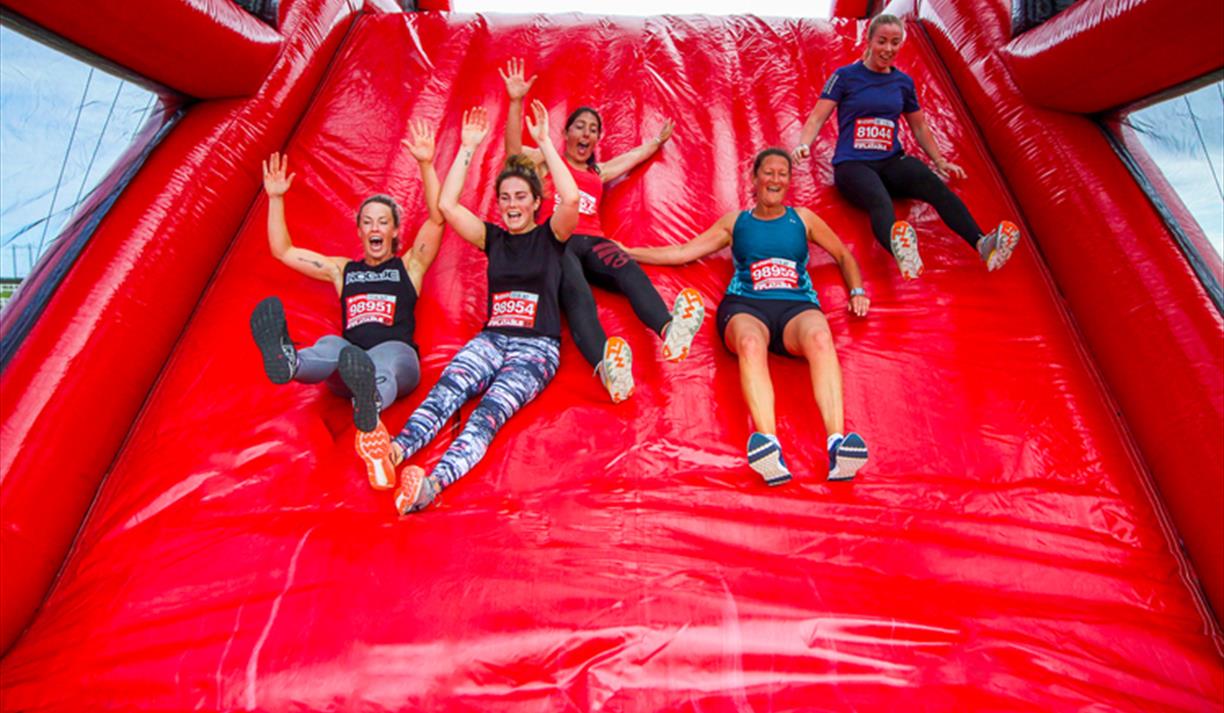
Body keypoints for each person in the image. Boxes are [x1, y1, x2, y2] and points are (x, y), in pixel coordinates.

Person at [357, 103, 580, 515]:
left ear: (534, 203)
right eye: (505, 198)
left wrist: (547, 144)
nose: (512, 204)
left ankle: (431, 485)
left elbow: (571, 198)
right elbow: (446, 207)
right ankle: (393, 453)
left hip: (536, 350)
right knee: (448, 388)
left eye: (521, 197)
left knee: (487, 415)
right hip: (492, 338)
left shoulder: (552, 236)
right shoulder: (492, 238)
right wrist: (466, 147)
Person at [625, 149, 869, 484]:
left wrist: (857, 291)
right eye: (768, 172)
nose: (775, 179)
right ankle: (769, 444)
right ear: (754, 179)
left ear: (789, 181)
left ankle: (837, 444)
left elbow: (843, 254)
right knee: (752, 343)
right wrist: (628, 253)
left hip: (796, 307)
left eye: (782, 173)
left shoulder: (803, 219)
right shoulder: (737, 222)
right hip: (746, 306)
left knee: (820, 337)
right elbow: (683, 252)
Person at [249, 120, 442, 490]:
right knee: (331, 347)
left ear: (394, 231)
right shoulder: (342, 271)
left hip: (397, 360)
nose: (375, 228)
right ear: (359, 231)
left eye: (383, 222)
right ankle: (292, 362)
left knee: (383, 359)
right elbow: (283, 251)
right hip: (350, 361)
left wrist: (425, 164)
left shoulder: (410, 266)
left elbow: (437, 218)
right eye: (368, 222)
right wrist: (275, 198)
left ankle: (369, 400)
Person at [500, 58, 706, 403]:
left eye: (593, 129)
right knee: (578, 294)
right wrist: (516, 101)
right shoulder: (547, 160)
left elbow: (632, 158)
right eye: (579, 127)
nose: (586, 134)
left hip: (594, 242)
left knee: (628, 268)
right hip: (558, 241)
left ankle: (670, 330)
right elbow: (511, 154)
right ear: (565, 134)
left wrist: (656, 143)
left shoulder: (598, 172)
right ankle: (605, 368)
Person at [792, 13, 1020, 280]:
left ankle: (982, 244)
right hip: (853, 164)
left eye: (895, 42)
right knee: (879, 199)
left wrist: (939, 160)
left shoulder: (903, 83)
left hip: (890, 160)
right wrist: (803, 145)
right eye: (882, 42)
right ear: (869, 40)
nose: (888, 49)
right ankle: (902, 252)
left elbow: (919, 126)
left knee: (934, 185)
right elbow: (818, 116)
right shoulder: (845, 76)